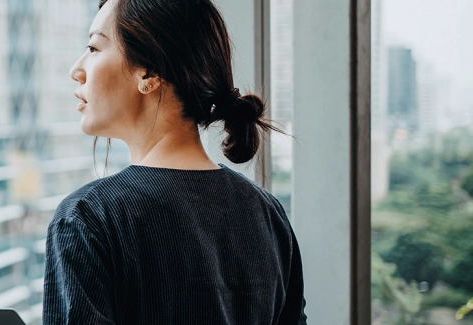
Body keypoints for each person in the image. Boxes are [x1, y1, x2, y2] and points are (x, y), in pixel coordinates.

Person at [43, 0, 306, 324]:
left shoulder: (88, 218)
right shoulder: (266, 212)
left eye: (94, 48)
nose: (77, 70)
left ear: (149, 72)